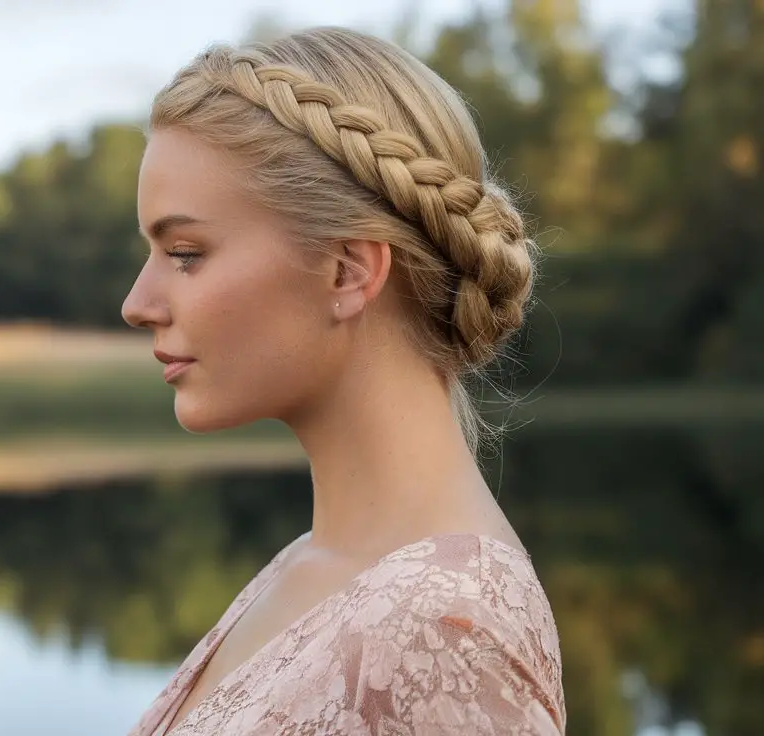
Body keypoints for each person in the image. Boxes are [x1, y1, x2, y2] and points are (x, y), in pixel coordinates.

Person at [120, 26, 565, 736]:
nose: (137, 304)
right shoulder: (308, 566)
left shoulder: (450, 631)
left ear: (349, 271)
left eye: (185, 252)